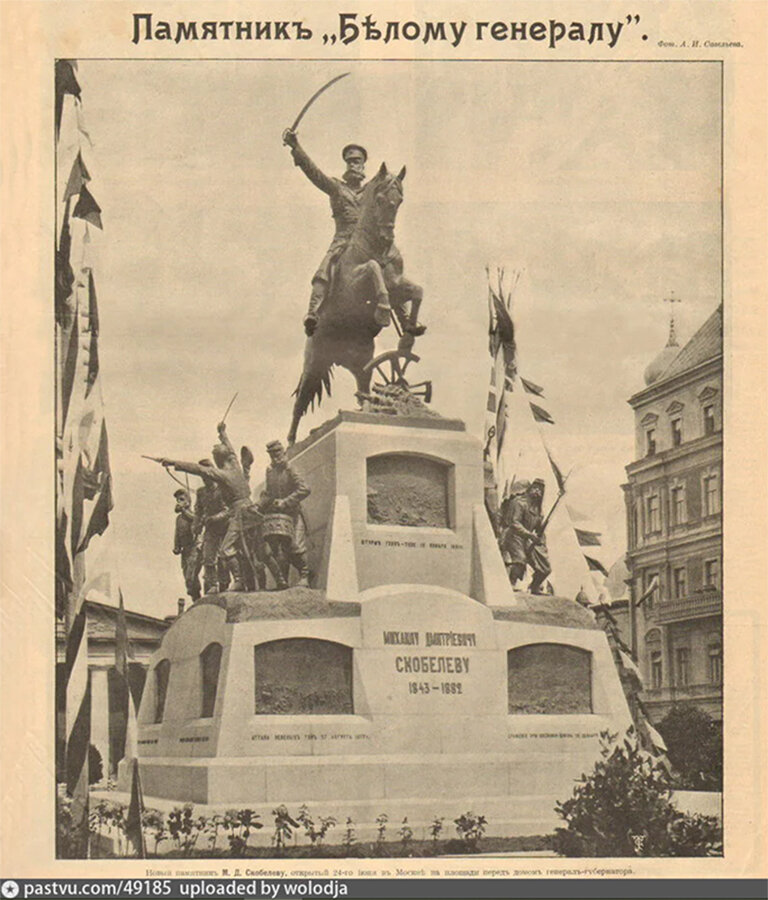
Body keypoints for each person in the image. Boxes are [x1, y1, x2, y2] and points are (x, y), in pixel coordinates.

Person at [161, 424, 285, 591]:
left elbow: (198, 469)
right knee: (261, 549)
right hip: (252, 509)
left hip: (239, 513)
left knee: (226, 549)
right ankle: (281, 580)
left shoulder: (222, 475)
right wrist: (222, 433)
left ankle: (240, 581)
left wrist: (173, 462)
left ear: (218, 460)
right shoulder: (235, 465)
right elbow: (231, 449)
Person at [283, 131, 368, 335]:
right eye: (349, 162)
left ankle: (406, 320)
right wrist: (296, 147)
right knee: (324, 271)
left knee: (391, 266)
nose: (352, 165)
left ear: (363, 165)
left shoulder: (370, 192)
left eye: (356, 161)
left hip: (366, 245)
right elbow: (314, 173)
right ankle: (313, 313)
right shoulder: (337, 187)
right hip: (342, 243)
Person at [258, 440, 311, 587]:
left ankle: (305, 575)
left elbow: (305, 489)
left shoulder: (291, 469)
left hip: (294, 514)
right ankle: (283, 582)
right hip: (279, 517)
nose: (275, 457)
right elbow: (268, 493)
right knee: (279, 551)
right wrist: (259, 505)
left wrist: (286, 501)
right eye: (272, 454)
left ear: (283, 452)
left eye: (277, 453)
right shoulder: (270, 471)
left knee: (296, 547)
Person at [501, 478, 552, 594]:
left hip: (528, 539)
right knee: (520, 561)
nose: (537, 492)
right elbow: (514, 523)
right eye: (535, 488)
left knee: (545, 568)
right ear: (529, 489)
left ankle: (534, 587)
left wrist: (540, 538)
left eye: (540, 490)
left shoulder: (537, 510)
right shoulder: (519, 502)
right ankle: (510, 585)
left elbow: (539, 530)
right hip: (514, 536)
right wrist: (530, 535)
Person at [193, 461, 232, 595]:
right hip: (210, 530)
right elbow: (198, 510)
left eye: (206, 476)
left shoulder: (223, 489)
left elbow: (229, 510)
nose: (205, 480)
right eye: (202, 477)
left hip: (225, 528)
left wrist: (214, 518)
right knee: (208, 558)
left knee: (224, 559)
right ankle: (213, 585)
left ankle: (224, 584)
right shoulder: (201, 492)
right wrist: (196, 525)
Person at [172, 488, 201, 602]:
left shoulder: (192, 514)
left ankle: (197, 597)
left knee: (191, 575)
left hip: (194, 548)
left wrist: (184, 510)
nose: (179, 502)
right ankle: (196, 598)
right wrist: (176, 546)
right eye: (178, 500)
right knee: (187, 578)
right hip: (185, 550)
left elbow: (195, 519)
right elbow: (177, 533)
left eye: (182, 499)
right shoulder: (179, 518)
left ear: (188, 501)